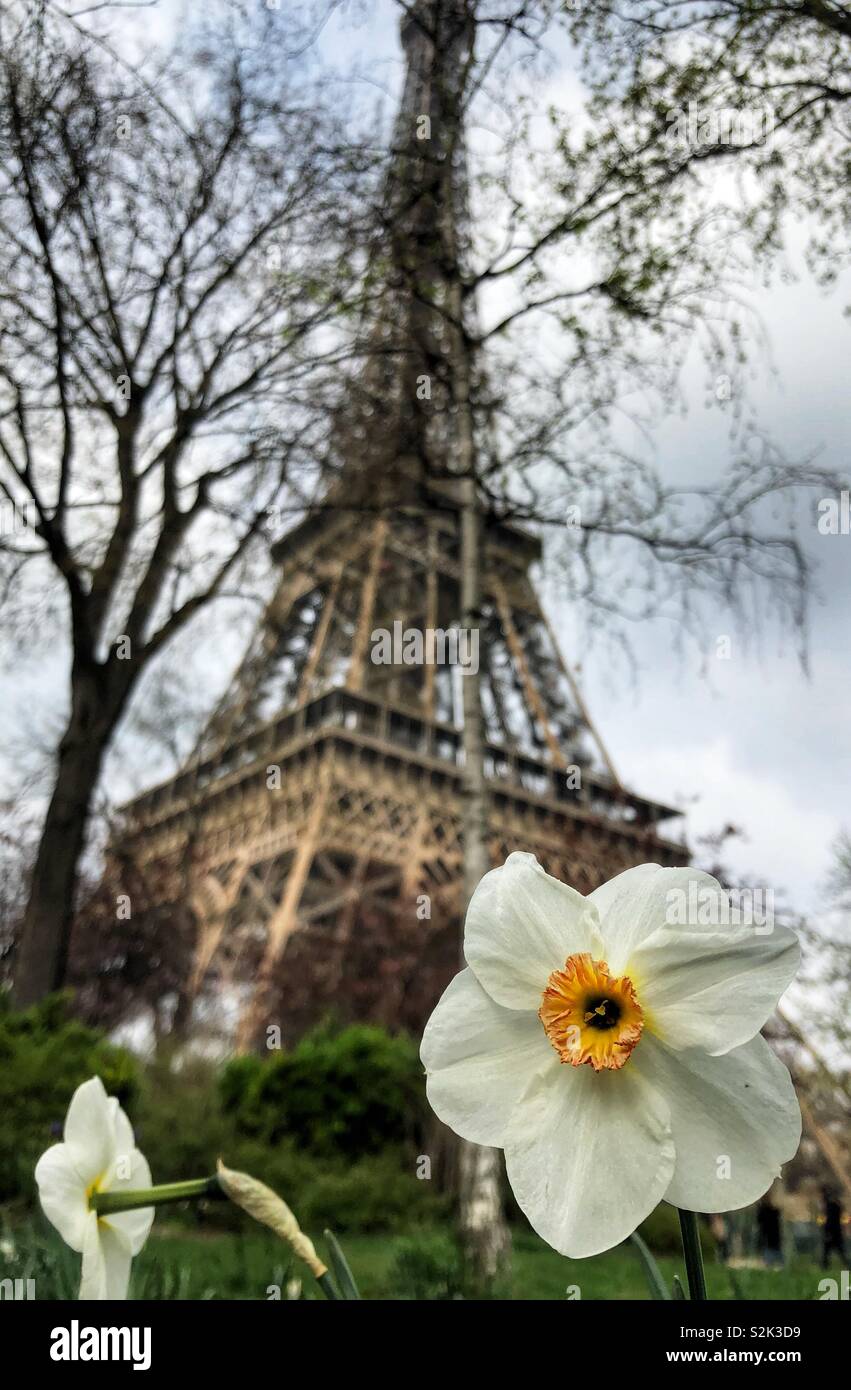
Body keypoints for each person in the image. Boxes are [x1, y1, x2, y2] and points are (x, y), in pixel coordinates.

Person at [821, 1186, 847, 1269]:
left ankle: (825, 1267)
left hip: (832, 1233)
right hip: (836, 1232)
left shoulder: (831, 1207)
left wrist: (827, 1232)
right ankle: (825, 1267)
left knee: (829, 1252)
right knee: (839, 1252)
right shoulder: (836, 1206)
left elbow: (830, 1221)